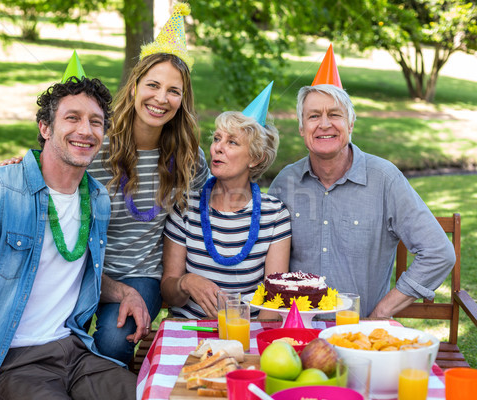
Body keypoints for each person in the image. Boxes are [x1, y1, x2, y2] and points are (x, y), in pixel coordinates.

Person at [0, 3, 209, 365]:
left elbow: (211, 205)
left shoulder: (189, 157)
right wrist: (25, 164)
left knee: (114, 339)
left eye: (173, 91)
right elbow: (55, 162)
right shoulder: (96, 141)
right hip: (78, 264)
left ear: (183, 100)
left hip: (140, 272)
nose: (161, 98)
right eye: (153, 85)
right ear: (135, 87)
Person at [0, 77, 137, 400]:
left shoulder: (97, 200)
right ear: (45, 128)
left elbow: (70, 268)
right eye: (72, 118)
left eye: (96, 122)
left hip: (76, 350)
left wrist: (125, 292)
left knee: (152, 392)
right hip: (12, 361)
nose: (86, 130)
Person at [268, 46, 455, 318]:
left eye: (335, 114)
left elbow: (439, 252)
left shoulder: (385, 179)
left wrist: (380, 313)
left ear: (351, 123)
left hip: (358, 336)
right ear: (301, 128)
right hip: (296, 331)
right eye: (313, 116)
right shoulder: (286, 182)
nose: (324, 124)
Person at [161, 83, 292, 320]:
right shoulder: (185, 206)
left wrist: (249, 347)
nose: (217, 148)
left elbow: (272, 306)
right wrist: (186, 282)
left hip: (245, 336)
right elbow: (170, 294)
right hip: (188, 333)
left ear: (256, 158)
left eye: (232, 142)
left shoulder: (275, 215)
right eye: (217, 138)